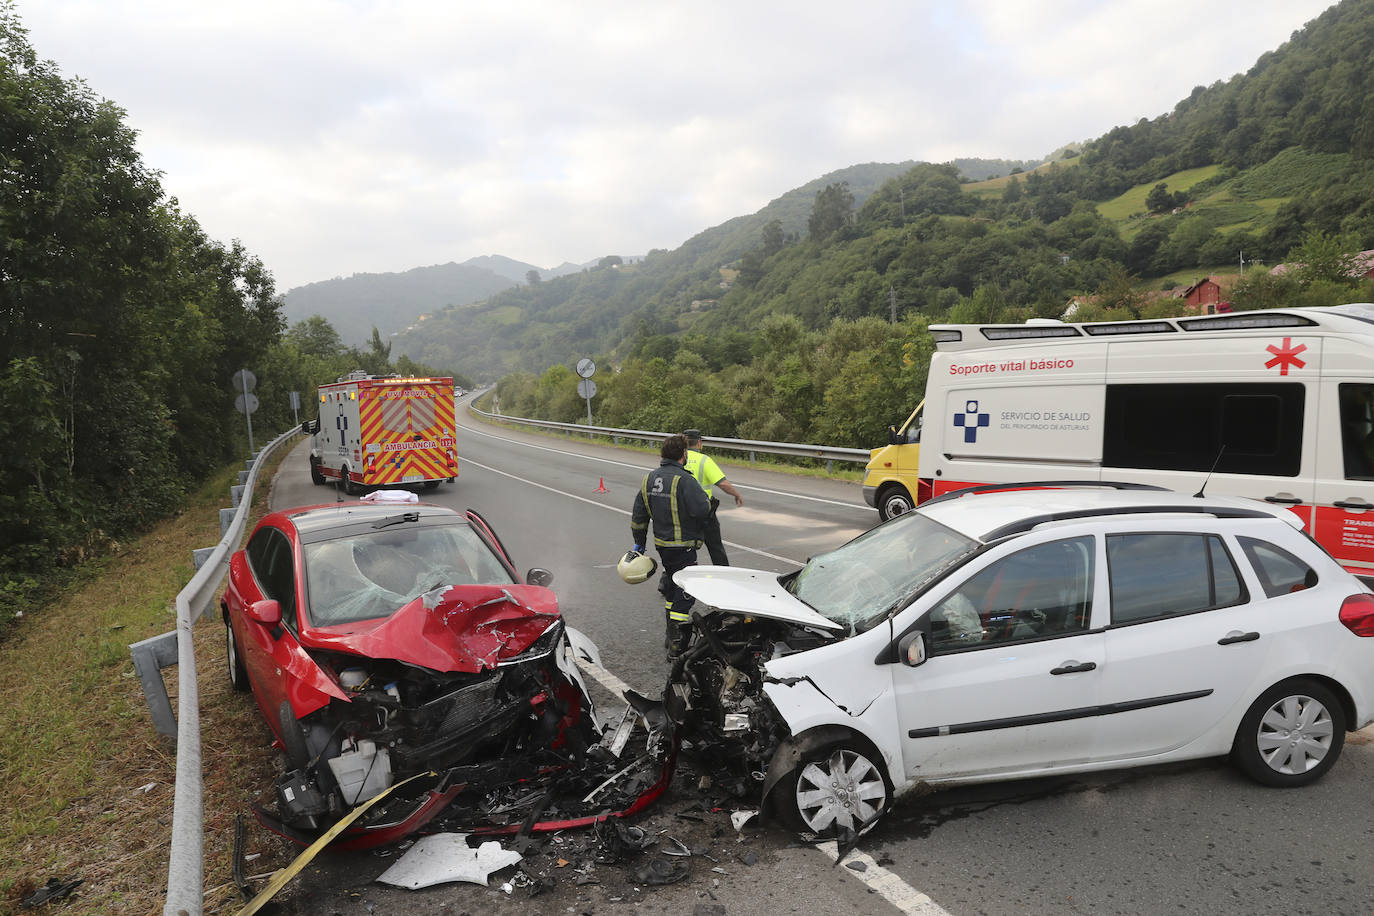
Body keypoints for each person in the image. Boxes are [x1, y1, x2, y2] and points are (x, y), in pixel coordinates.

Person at [630, 434, 712, 658]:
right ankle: (677, 644)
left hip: (662, 545)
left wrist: (639, 542)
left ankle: (669, 635)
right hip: (683, 545)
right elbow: (700, 509)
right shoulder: (684, 480)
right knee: (685, 591)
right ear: (683, 455)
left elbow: (639, 515)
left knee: (673, 587)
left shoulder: (649, 479)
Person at [682, 429, 744, 566]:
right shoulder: (704, 460)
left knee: (683, 548)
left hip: (682, 511)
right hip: (704, 512)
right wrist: (736, 494)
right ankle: (723, 574)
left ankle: (682, 574)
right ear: (699, 443)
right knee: (715, 547)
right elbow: (723, 483)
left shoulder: (678, 458)